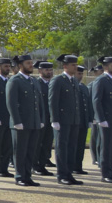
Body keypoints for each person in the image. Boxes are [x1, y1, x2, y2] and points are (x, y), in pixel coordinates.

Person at [7, 54, 42, 187]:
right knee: (20, 151)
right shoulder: (15, 81)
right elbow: (11, 102)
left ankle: (28, 176)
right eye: (28, 63)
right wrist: (16, 121)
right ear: (20, 65)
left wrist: (40, 119)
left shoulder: (33, 81)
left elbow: (39, 103)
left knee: (30, 151)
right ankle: (20, 176)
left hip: (33, 122)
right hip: (21, 123)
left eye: (31, 63)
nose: (31, 65)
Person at [49, 54, 83, 185]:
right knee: (62, 148)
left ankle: (69, 174)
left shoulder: (74, 80)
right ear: (65, 66)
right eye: (73, 65)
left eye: (76, 64)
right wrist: (54, 119)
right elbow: (53, 101)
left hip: (73, 120)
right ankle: (62, 175)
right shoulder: (58, 80)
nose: (75, 67)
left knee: (71, 147)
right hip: (62, 120)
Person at [32, 61, 55, 176]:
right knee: (37, 143)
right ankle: (35, 165)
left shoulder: (53, 83)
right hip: (40, 117)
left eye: (51, 70)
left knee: (47, 143)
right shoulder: (36, 83)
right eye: (47, 70)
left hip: (51, 118)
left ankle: (42, 164)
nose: (49, 72)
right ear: (40, 71)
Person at [75, 65, 92, 175]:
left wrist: (90, 119)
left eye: (81, 73)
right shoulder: (71, 86)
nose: (80, 76)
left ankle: (78, 166)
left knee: (81, 145)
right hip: (74, 121)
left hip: (83, 121)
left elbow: (88, 105)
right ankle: (71, 166)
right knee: (73, 145)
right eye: (78, 73)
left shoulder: (84, 87)